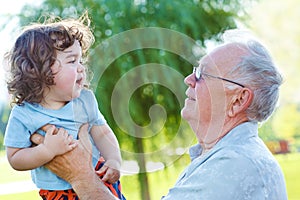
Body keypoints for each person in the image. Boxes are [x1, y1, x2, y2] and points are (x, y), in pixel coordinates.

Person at [31, 29, 288, 200]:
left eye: (202, 75)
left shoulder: (236, 164)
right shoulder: (224, 157)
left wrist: (80, 177)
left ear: (239, 100)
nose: (188, 79)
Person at [3, 12, 126, 200]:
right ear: (40, 71)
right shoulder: (25, 114)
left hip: (100, 180)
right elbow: (15, 157)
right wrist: (46, 151)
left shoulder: (85, 100)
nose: (81, 67)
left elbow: (103, 133)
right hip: (58, 194)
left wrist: (114, 160)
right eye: (72, 60)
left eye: (81, 60)